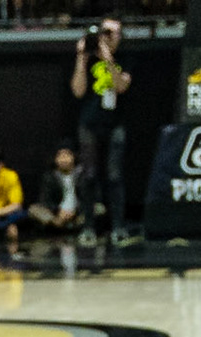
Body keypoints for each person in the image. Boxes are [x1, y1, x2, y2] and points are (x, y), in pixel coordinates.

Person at [71, 18, 130, 244]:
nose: (106, 37)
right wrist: (80, 58)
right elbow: (78, 90)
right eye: (103, 33)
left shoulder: (125, 59)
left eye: (111, 33)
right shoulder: (86, 58)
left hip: (114, 123)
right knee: (88, 175)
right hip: (89, 123)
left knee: (114, 175)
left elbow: (121, 86)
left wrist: (108, 59)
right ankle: (88, 227)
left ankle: (118, 226)